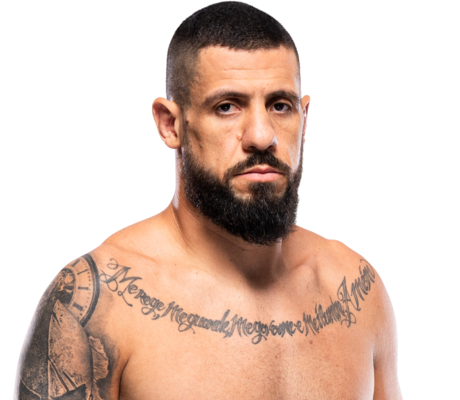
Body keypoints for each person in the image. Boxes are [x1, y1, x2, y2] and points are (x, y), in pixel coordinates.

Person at [14, 2, 402, 399]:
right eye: (227, 107)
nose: (261, 135)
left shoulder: (356, 291)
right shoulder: (98, 305)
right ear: (170, 124)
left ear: (303, 119)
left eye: (279, 106)